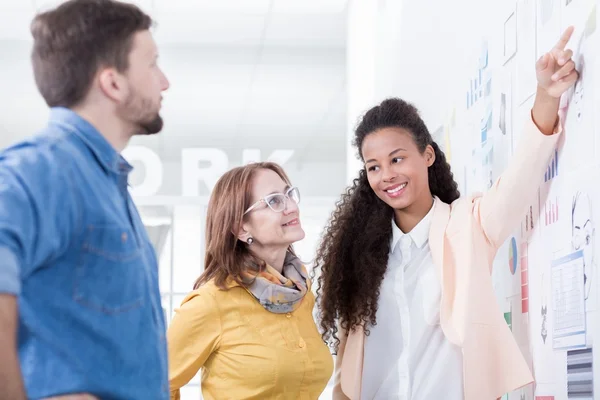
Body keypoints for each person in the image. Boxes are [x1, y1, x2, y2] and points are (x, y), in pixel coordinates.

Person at [314, 27, 578, 400]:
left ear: (427, 155)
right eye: (373, 166)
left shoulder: (467, 226)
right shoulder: (362, 256)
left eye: (397, 158)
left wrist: (546, 95)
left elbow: (520, 179)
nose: (386, 175)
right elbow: (347, 370)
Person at [0, 0, 170, 399]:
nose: (164, 82)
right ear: (112, 83)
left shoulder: (110, 184)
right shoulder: (38, 170)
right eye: (152, 64)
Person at [167, 162, 333, 400]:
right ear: (240, 228)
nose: (292, 207)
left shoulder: (301, 294)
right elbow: (151, 386)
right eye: (274, 201)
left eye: (289, 194)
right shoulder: (210, 303)